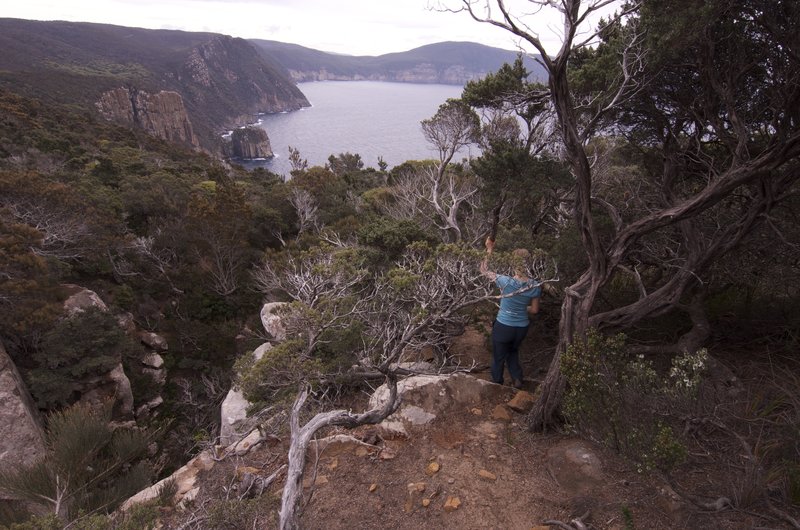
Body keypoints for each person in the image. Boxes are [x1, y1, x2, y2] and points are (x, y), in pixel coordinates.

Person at [480, 237, 541, 389]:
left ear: (512, 262)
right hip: (521, 328)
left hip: (504, 326)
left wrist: (489, 249)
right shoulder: (534, 285)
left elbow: (483, 270)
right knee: (513, 351)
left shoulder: (505, 281)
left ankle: (497, 384)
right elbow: (534, 310)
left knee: (498, 356)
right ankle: (517, 378)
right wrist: (520, 308)